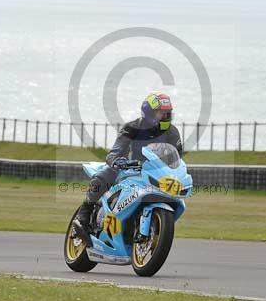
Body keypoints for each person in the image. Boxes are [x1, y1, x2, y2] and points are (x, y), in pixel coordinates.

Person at [72, 92, 183, 242]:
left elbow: (177, 157)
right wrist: (117, 161)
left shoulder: (172, 132)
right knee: (103, 177)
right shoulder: (132, 127)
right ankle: (84, 214)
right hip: (128, 169)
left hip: (154, 172)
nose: (164, 116)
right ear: (148, 112)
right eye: (160, 113)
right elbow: (115, 151)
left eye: (167, 113)